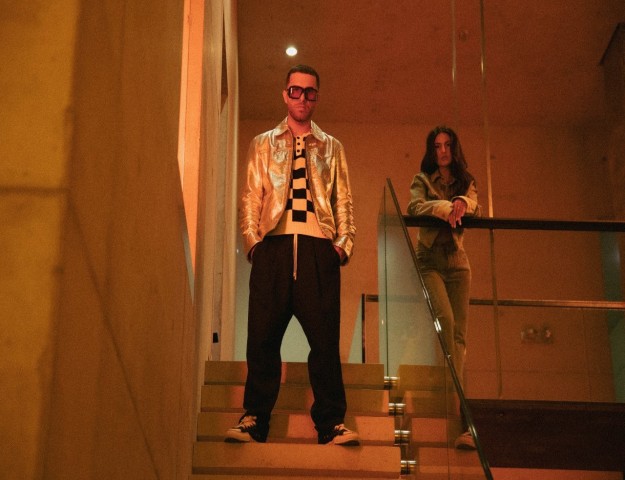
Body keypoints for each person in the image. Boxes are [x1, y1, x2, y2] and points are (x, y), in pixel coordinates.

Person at [226, 65, 359, 446]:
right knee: (262, 337)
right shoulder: (262, 144)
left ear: (317, 97)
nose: (302, 98)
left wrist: (342, 245)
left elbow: (343, 200)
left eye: (310, 92)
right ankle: (255, 418)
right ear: (285, 94)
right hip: (274, 248)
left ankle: (331, 423)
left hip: (320, 250)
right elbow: (251, 197)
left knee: (325, 341)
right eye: (296, 90)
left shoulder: (332, 146)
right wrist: (254, 243)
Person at [406, 125, 481, 450]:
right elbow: (414, 207)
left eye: (448, 145)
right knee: (446, 323)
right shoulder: (423, 180)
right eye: (437, 146)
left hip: (458, 261)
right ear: (431, 150)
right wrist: (444, 207)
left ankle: (456, 402)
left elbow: (476, 205)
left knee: (460, 337)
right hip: (430, 259)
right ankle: (453, 402)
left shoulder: (466, 181)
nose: (443, 151)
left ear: (454, 148)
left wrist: (462, 201)